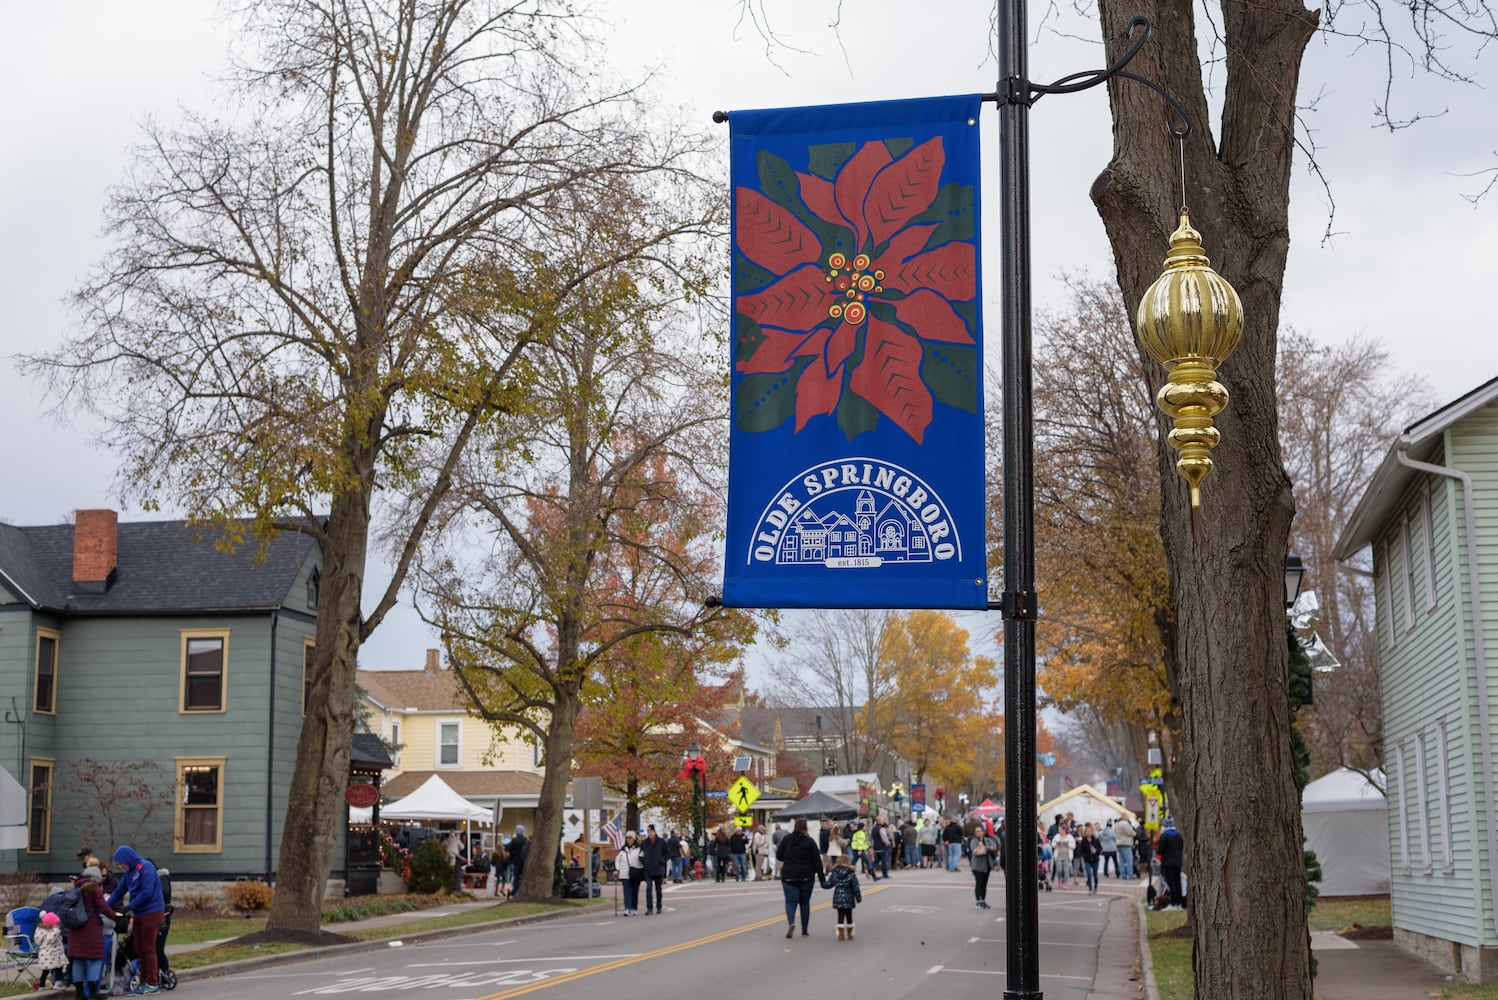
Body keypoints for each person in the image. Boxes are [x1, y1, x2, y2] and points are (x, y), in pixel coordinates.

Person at [107, 846, 163, 994]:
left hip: (152, 911)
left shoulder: (146, 868)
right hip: (138, 913)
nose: (120, 866)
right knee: (139, 948)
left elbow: (147, 892)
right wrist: (105, 906)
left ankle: (152, 982)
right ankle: (143, 981)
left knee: (148, 947)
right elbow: (119, 891)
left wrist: (129, 907)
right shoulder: (129, 873)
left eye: (121, 863)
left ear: (128, 859)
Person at [72, 865, 118, 999]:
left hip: (75, 929)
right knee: (96, 958)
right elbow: (103, 907)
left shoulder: (76, 887)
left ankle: (79, 993)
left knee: (78, 959)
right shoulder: (94, 888)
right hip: (90, 929)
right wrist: (115, 916)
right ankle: (93, 992)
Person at [775, 818, 824, 939]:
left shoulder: (787, 840)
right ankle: (804, 929)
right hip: (806, 876)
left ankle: (791, 922)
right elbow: (817, 861)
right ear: (805, 827)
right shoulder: (809, 841)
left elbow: (779, 855)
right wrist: (822, 878)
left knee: (790, 902)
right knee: (804, 903)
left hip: (789, 876)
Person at [819, 854, 863, 940]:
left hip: (838, 897)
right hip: (849, 897)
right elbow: (855, 886)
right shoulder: (851, 873)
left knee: (840, 916)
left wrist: (822, 881)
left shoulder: (835, 873)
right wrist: (858, 897)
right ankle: (850, 934)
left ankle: (841, 935)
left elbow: (828, 885)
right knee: (849, 915)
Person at [34, 911, 67, 990]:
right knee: (58, 968)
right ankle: (58, 983)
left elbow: (37, 940)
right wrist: (56, 930)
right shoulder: (52, 931)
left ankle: (42, 985)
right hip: (53, 953)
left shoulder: (39, 930)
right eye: (56, 923)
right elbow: (51, 939)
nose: (57, 925)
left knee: (46, 970)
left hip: (45, 954)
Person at [969, 824, 999, 909]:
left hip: (987, 865)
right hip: (977, 866)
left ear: (983, 832)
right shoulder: (973, 840)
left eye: (979, 831)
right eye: (976, 832)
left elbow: (994, 848)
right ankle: (978, 901)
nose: (977, 833)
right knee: (979, 883)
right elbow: (975, 851)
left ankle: (983, 901)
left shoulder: (988, 839)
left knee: (984, 884)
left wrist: (983, 848)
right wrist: (987, 849)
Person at [641, 825, 668, 915]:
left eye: (651, 831)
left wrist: (662, 860)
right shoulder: (644, 843)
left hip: (658, 868)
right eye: (648, 832)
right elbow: (640, 854)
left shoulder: (661, 842)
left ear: (654, 832)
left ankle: (659, 906)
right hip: (648, 869)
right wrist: (643, 861)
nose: (650, 833)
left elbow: (667, 853)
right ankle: (649, 908)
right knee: (648, 888)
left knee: (658, 889)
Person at [1158, 820, 1186, 909]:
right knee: (1178, 883)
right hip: (1178, 862)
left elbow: (1160, 850)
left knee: (1171, 883)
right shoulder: (1179, 835)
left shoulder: (1164, 835)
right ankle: (1179, 903)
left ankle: (1173, 903)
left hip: (1167, 863)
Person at [619, 831, 645, 915]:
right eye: (627, 838)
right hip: (625, 873)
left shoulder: (639, 849)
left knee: (634, 891)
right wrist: (617, 869)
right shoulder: (623, 850)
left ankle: (634, 908)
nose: (628, 840)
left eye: (630, 838)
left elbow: (642, 859)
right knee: (627, 891)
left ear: (634, 839)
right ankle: (627, 908)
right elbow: (618, 860)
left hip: (636, 872)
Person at [1075, 824, 1102, 895]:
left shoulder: (1095, 840)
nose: (1089, 833)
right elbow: (1080, 851)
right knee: (1089, 875)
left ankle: (1095, 887)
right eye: (1087, 832)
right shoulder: (1083, 841)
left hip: (1095, 859)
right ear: (1085, 833)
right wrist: (1084, 855)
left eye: (1090, 832)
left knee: (1095, 875)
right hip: (1087, 860)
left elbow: (1100, 848)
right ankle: (1090, 888)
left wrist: (1096, 851)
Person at [1051, 824, 1076, 890]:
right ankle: (1060, 879)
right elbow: (1053, 844)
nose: (1059, 831)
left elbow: (1073, 846)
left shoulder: (1069, 837)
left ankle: (1065, 883)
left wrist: (1068, 844)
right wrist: (1057, 843)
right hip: (1058, 856)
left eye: (1060, 830)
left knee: (1066, 870)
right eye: (1059, 830)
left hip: (1067, 856)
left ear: (1064, 830)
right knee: (1059, 870)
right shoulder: (1057, 836)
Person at [507, 825, 529, 898]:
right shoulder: (526, 840)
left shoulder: (514, 840)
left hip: (516, 861)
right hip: (524, 860)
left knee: (516, 876)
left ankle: (515, 890)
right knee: (523, 876)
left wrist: (512, 855)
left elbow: (508, 849)